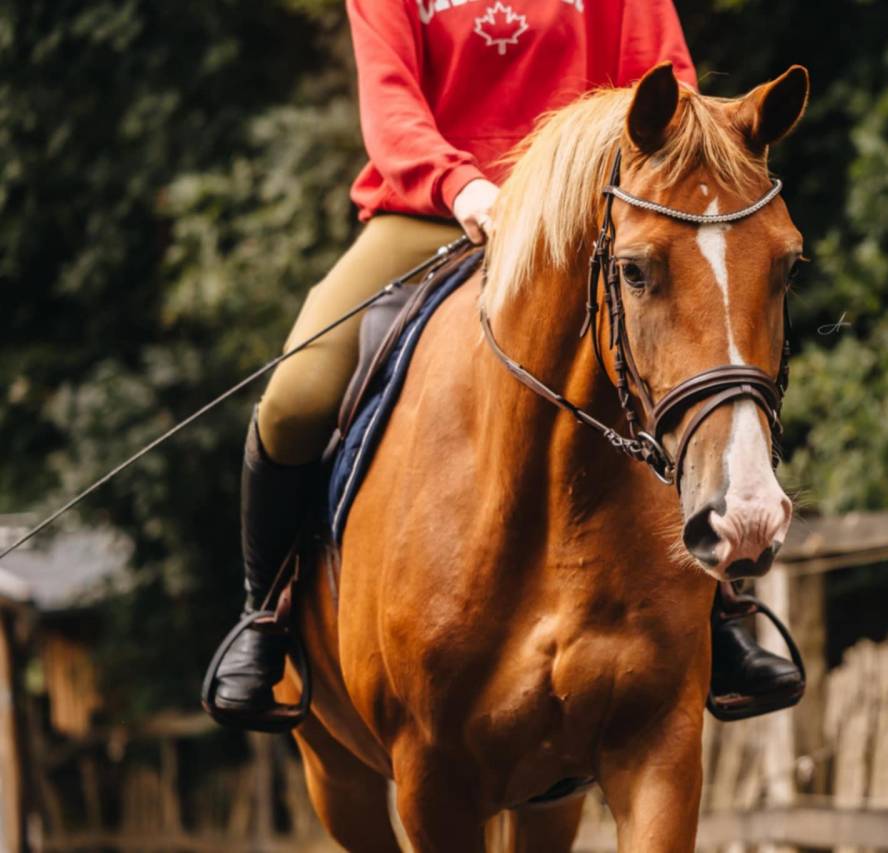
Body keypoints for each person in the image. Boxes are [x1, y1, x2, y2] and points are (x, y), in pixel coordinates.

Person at [207, 0, 802, 725]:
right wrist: (462, 185)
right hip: (438, 210)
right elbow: (392, 107)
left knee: (683, 360)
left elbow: (668, 92)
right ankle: (264, 617)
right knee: (295, 399)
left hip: (593, 211)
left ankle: (722, 612)